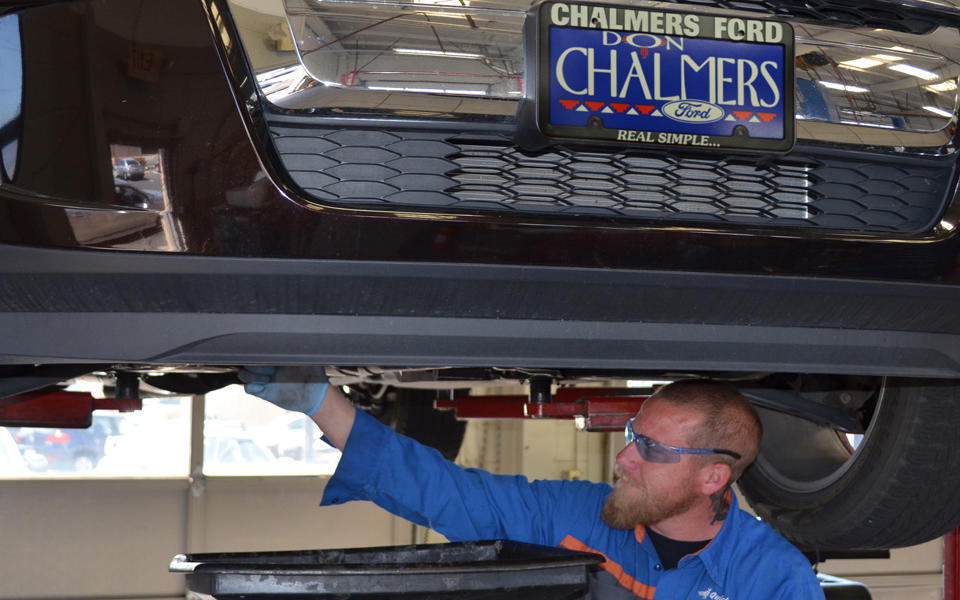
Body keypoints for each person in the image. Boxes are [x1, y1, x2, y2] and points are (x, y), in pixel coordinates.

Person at [240, 367, 825, 600]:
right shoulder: (577, 515)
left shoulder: (772, 579)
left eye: (649, 448)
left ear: (713, 476)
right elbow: (454, 494)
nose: (623, 458)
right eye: (630, 434)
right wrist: (323, 406)